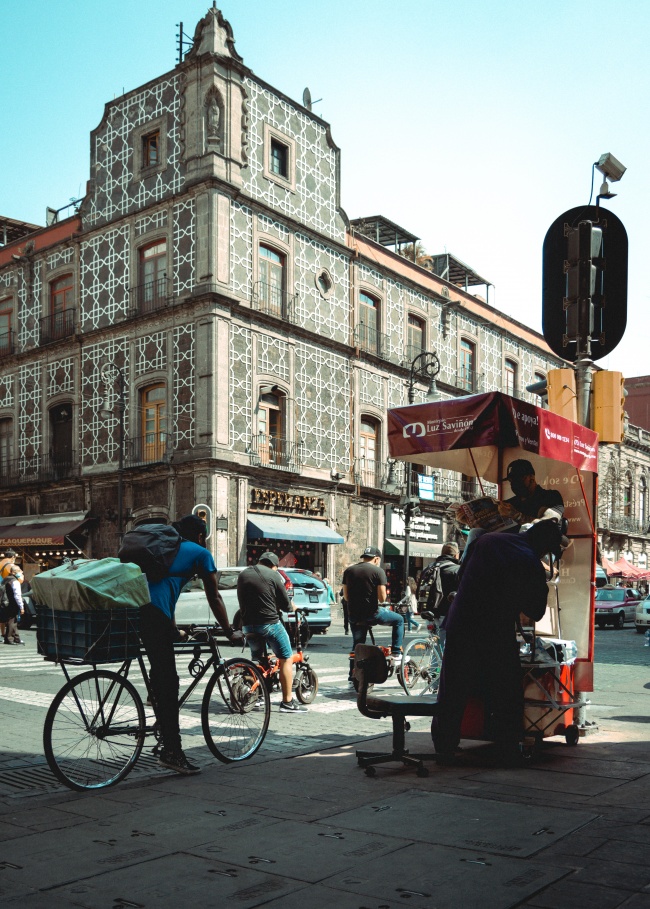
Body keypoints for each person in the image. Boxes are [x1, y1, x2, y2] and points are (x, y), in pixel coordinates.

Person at [431, 520, 564, 767]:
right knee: (505, 692)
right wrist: (542, 579)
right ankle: (506, 750)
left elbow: (462, 575)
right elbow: (535, 611)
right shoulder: (529, 561)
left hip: (461, 624)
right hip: (493, 631)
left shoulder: (488, 540)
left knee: (453, 689)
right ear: (545, 547)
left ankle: (444, 748)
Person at [139, 514, 240, 775]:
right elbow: (214, 596)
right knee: (170, 683)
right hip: (154, 617)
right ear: (199, 536)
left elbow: (165, 591)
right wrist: (229, 631)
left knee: (161, 676)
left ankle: (158, 705)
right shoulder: (199, 553)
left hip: (137, 613)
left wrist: (174, 630)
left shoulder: (163, 551)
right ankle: (172, 751)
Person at [238, 551, 307, 714]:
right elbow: (286, 605)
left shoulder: (243, 574)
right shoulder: (274, 575)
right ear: (274, 566)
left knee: (259, 660)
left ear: (260, 561)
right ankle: (287, 702)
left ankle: (257, 697)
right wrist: (293, 607)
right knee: (285, 657)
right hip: (269, 624)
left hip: (248, 626)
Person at [461, 460, 565, 563]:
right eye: (511, 481)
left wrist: (516, 515)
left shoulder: (550, 496)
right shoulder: (510, 503)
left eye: (518, 479)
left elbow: (548, 523)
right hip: (509, 547)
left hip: (542, 549)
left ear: (531, 478)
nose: (514, 484)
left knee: (527, 528)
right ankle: (462, 574)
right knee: (476, 532)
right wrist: (470, 520)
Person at [343, 545, 404, 685]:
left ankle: (352, 676)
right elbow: (382, 598)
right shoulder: (378, 571)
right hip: (372, 613)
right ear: (376, 559)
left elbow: (346, 596)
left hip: (354, 615)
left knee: (358, 645)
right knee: (399, 620)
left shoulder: (349, 571)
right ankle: (396, 653)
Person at [428, 542, 461, 645]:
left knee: (436, 645)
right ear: (456, 555)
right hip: (447, 613)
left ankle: (434, 660)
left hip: (430, 613)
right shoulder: (456, 570)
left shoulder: (430, 568)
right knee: (447, 646)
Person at [3, 564, 25, 645]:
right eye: (19, 571)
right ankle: (9, 639)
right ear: (14, 572)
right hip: (12, 603)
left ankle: (16, 638)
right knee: (12, 621)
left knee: (13, 620)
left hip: (5, 602)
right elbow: (17, 595)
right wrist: (21, 606)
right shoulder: (15, 581)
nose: (21, 572)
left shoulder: (5, 579)